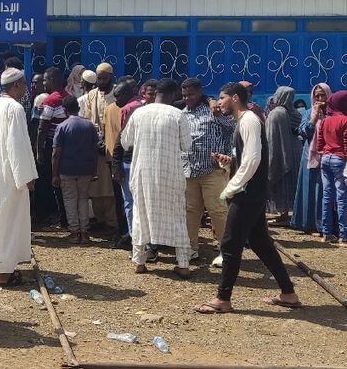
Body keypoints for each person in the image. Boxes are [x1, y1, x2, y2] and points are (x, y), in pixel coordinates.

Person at [196, 82, 300, 314]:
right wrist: (230, 163)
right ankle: (288, 293)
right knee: (260, 242)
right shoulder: (242, 122)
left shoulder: (250, 121)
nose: (219, 102)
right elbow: (246, 159)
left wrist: (230, 188)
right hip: (249, 191)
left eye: (222, 98)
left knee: (230, 243)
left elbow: (253, 160)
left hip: (248, 194)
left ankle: (223, 299)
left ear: (234, 98)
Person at [121, 79, 193, 278]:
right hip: (170, 175)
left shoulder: (139, 113)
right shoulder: (178, 114)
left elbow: (125, 141)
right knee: (177, 216)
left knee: (140, 215)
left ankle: (139, 262)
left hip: (142, 174)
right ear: (171, 95)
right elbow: (186, 145)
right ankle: (183, 264)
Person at [0, 68, 38, 285]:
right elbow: (18, 145)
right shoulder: (14, 108)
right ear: (16, 86)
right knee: (8, 222)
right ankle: (3, 273)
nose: (25, 89)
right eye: (24, 84)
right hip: (9, 175)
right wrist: (26, 176)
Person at [181, 78, 233, 267]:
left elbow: (232, 127)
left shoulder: (214, 111)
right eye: (184, 95)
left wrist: (213, 105)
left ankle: (226, 251)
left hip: (213, 171)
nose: (187, 98)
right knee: (190, 212)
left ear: (200, 92)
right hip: (189, 172)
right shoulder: (182, 114)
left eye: (191, 94)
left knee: (218, 211)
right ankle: (190, 248)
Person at [51, 95, 98, 243]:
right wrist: (94, 170)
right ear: (78, 108)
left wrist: (54, 174)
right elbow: (94, 150)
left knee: (70, 200)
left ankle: (74, 232)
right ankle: (84, 232)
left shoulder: (62, 127)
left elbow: (56, 153)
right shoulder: (89, 125)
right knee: (83, 199)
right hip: (86, 168)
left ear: (65, 110)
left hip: (67, 169)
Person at [80, 63, 118, 233]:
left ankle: (111, 222)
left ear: (111, 77)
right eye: (99, 78)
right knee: (95, 185)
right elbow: (87, 119)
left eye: (104, 78)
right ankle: (99, 219)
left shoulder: (117, 93)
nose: (101, 82)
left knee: (109, 186)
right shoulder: (92, 95)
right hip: (95, 146)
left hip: (112, 146)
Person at [105, 77, 141, 247]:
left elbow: (122, 140)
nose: (116, 100)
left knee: (129, 202)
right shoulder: (139, 105)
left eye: (118, 96)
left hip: (128, 161)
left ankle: (132, 236)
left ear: (127, 94)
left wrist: (116, 163)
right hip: (136, 161)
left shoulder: (129, 109)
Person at [291, 83, 331, 234]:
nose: (320, 99)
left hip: (327, 156)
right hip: (309, 156)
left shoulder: (333, 113)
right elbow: (302, 133)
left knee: (323, 190)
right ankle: (308, 224)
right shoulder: (308, 113)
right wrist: (313, 120)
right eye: (317, 96)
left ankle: (324, 224)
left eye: (323, 95)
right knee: (309, 189)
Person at [35, 67, 69, 224]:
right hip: (67, 147)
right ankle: (64, 216)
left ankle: (43, 215)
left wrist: (39, 151)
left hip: (51, 146)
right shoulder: (69, 97)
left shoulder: (50, 101)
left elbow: (42, 128)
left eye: (45, 80)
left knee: (46, 181)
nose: (43, 83)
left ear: (53, 80)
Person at [265, 86, 302, 223]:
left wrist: (269, 157)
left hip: (281, 152)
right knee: (290, 184)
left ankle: (283, 215)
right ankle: (286, 214)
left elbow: (271, 137)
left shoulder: (277, 113)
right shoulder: (294, 113)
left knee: (281, 183)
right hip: (295, 152)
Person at [317, 90, 347, 244]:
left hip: (325, 159)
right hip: (340, 160)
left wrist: (326, 151)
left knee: (327, 196)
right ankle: (343, 235)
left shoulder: (325, 120)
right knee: (342, 197)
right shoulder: (345, 120)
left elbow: (319, 143)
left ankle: (326, 233)